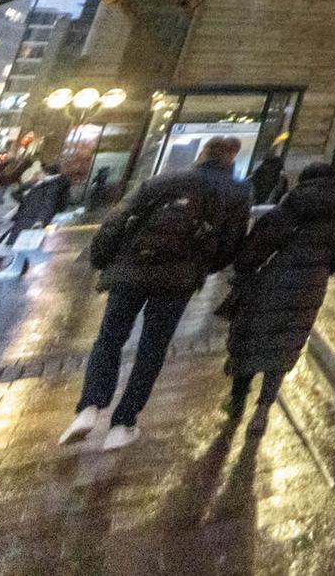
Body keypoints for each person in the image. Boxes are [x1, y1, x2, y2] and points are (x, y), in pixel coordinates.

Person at [66, 137, 251, 451]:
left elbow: (117, 220)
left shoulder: (164, 179)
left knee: (109, 338)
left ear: (202, 154)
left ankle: (89, 407)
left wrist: (102, 260)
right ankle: (123, 423)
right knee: (153, 347)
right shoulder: (237, 191)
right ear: (231, 160)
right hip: (178, 279)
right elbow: (231, 246)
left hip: (131, 267)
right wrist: (203, 267)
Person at [220, 163, 335, 438]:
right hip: (310, 286)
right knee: (285, 343)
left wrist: (245, 266)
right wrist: (318, 271)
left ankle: (237, 399)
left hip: (271, 279)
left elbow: (261, 241)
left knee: (251, 338)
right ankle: (263, 406)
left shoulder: (294, 203)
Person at [0, 164, 71, 276]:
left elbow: (49, 204)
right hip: (27, 216)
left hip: (33, 218)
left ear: (45, 173)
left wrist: (41, 220)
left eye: (40, 172)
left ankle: (10, 266)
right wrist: (31, 185)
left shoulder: (52, 186)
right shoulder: (43, 184)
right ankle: (10, 265)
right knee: (15, 241)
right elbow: (16, 193)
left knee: (18, 242)